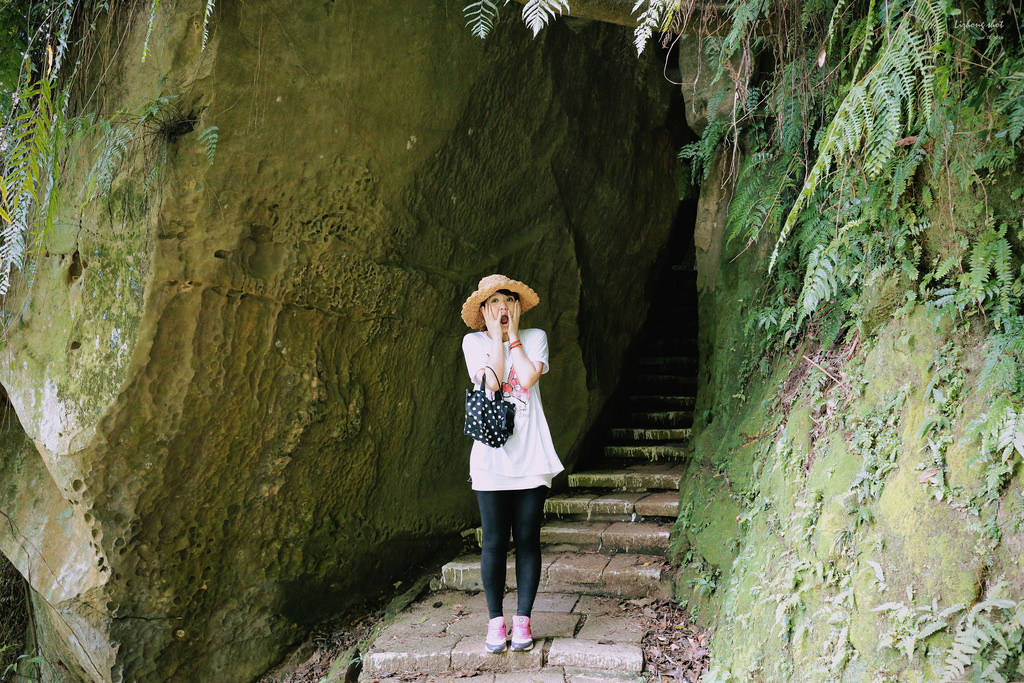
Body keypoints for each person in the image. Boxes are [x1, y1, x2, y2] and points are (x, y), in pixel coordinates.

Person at [460, 274, 565, 654]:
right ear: (484, 310)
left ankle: (523, 619)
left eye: (508, 299)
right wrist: (495, 339)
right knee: (492, 543)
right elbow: (491, 382)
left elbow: (527, 376)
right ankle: (494, 622)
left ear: (517, 305)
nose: (502, 306)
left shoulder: (535, 338)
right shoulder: (473, 342)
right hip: (490, 459)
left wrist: (513, 336)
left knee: (527, 539)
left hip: (532, 456)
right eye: (493, 302)